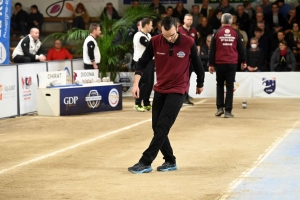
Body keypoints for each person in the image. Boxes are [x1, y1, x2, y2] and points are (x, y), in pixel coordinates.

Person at [128, 16, 205, 174]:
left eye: (171, 35)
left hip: (178, 90)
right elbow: (142, 63)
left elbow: (198, 65)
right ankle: (170, 160)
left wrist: (200, 83)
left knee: (163, 126)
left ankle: (145, 161)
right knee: (156, 127)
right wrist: (136, 84)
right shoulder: (156, 41)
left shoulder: (188, 42)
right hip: (160, 89)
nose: (168, 38)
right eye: (165, 35)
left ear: (177, 28)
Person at [209, 13, 246, 118]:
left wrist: (211, 64)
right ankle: (228, 111)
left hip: (219, 63)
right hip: (232, 63)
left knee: (220, 85)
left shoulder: (216, 33)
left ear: (221, 21)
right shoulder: (236, 33)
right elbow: (241, 49)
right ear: (231, 21)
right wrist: (244, 61)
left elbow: (212, 50)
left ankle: (219, 108)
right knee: (229, 86)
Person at [179, 14, 201, 105]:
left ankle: (185, 96)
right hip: (180, 59)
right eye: (188, 19)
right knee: (180, 78)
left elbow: (197, 44)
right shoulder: (179, 30)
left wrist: (197, 55)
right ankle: (180, 96)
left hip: (190, 59)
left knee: (187, 78)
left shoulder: (194, 31)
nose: (189, 21)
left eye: (191, 19)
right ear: (184, 20)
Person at [132, 18, 154, 112]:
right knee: (143, 83)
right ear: (146, 25)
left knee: (149, 83)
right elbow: (151, 47)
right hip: (141, 62)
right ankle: (138, 103)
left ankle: (146, 103)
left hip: (150, 62)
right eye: (151, 25)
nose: (152, 27)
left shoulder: (148, 35)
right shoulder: (139, 36)